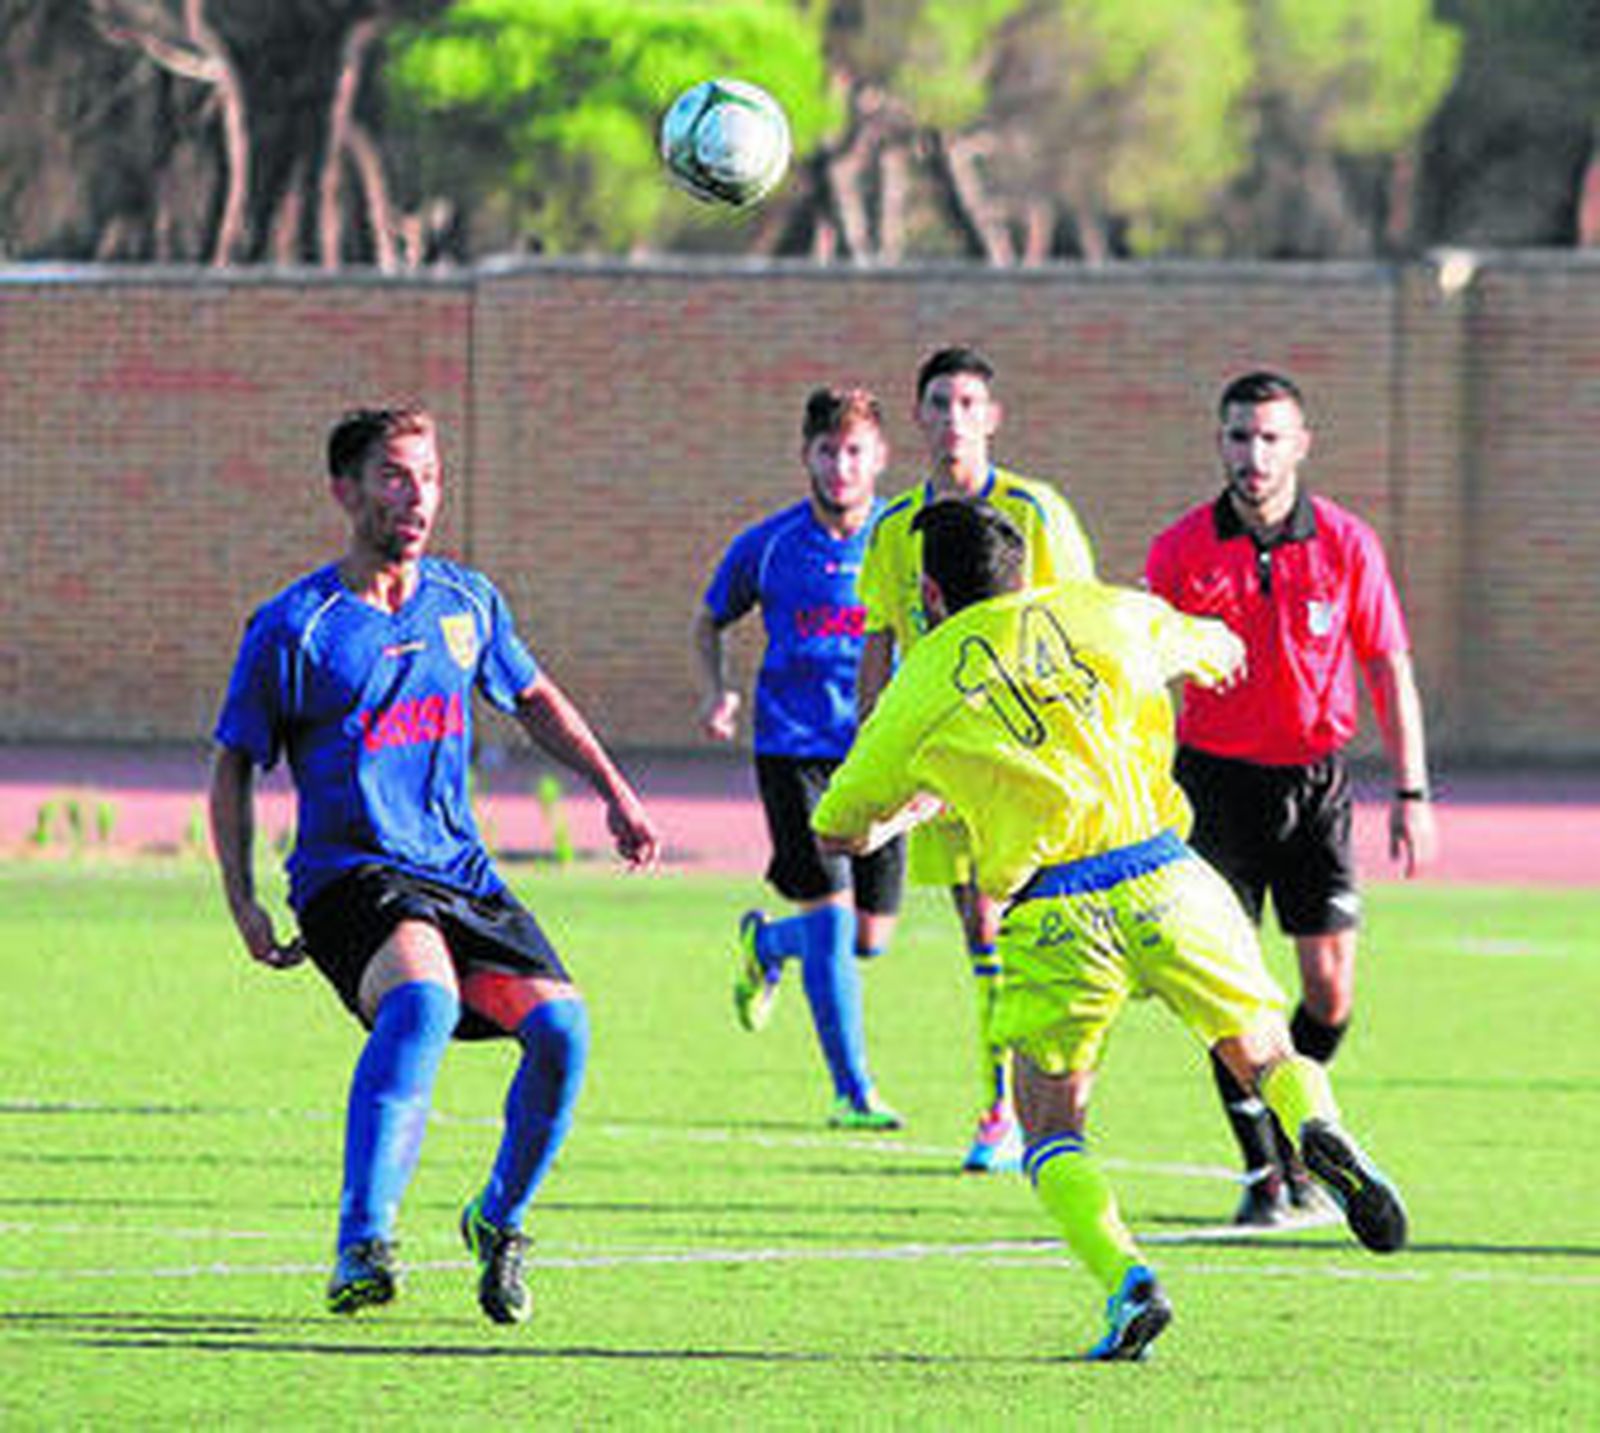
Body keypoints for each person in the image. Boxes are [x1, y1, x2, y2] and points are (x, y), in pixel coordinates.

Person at [814, 500, 1408, 1361]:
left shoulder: (923, 678)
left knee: (1049, 1127)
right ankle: (1321, 1134)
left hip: (1056, 911)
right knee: (1270, 1054)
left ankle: (1130, 1282)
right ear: (1027, 572)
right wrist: (1188, 662)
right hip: (1170, 875)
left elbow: (836, 824)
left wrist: (912, 808)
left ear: (932, 594)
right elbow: (1220, 648)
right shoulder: (1108, 609)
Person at [209, 405, 660, 1324]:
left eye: (431, 476)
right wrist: (243, 898)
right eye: (394, 476)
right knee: (423, 1000)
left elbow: (533, 696)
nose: (418, 497)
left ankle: (499, 1220)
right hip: (350, 876)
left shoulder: (464, 602)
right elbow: (231, 761)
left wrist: (614, 788)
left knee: (565, 1032)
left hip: (459, 872)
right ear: (346, 490)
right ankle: (362, 1242)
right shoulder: (297, 625)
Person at [1144, 371, 1438, 1226]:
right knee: (1227, 990)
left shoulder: (1347, 544)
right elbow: (1145, 674)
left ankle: (1302, 1130)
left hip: (1315, 786)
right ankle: (1266, 1173)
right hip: (1211, 789)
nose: (1254, 454)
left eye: (1271, 437)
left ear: (1301, 444)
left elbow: (1387, 665)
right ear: (1220, 442)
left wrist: (1412, 788)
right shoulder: (1180, 550)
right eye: (1239, 435)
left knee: (1329, 990)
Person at [855, 345, 1096, 1173]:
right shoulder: (895, 529)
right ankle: (1005, 1106)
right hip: (945, 768)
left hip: (1030, 765)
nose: (954, 417)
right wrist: (873, 755)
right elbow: (881, 640)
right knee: (984, 933)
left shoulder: (1035, 512)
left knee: (1041, 934)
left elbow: (1080, 634)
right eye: (939, 402)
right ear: (918, 417)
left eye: (969, 402)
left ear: (991, 416)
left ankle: (1047, 1098)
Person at [692, 386, 904, 1130]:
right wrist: (718, 693)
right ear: (805, 456)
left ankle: (767, 943)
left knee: (869, 938)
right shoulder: (771, 544)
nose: (841, 466)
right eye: (827, 451)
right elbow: (710, 618)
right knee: (832, 923)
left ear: (879, 456)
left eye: (854, 451)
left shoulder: (901, 538)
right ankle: (855, 1093)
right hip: (794, 751)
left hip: (881, 756)